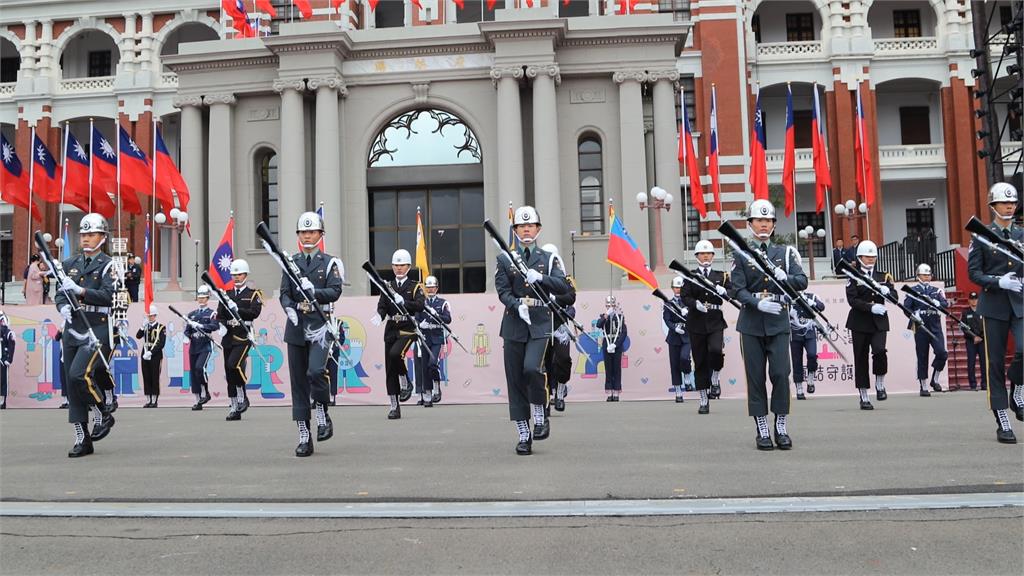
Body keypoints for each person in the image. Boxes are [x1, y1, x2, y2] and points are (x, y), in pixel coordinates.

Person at [730, 199, 806, 450]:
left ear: (773, 225)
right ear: (750, 224)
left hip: (778, 321)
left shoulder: (785, 253)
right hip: (751, 322)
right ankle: (762, 427)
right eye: (758, 221)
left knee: (780, 374)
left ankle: (781, 425)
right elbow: (736, 289)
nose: (763, 225)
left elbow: (802, 281)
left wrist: (789, 278)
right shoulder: (741, 253)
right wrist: (755, 303)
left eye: (768, 221)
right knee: (755, 377)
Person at [495, 205, 571, 455]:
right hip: (514, 323)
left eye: (531, 225)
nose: (526, 229)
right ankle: (523, 434)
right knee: (515, 379)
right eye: (521, 226)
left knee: (532, 368)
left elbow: (562, 286)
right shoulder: (504, 258)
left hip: (540, 321)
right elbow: (503, 291)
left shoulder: (549, 259)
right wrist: (517, 305)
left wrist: (541, 279)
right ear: (515, 230)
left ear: (538, 229)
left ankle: (539, 410)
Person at [279, 211, 344, 456]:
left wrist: (314, 291)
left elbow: (335, 291)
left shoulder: (329, 263)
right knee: (298, 383)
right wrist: (289, 307)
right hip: (296, 327)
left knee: (316, 371)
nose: (307, 236)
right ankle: (304, 435)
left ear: (320, 234)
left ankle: (321, 411)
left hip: (319, 326)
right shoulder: (291, 262)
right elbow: (284, 292)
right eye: (303, 232)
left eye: (312, 231)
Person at [55, 213, 117, 457]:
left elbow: (110, 297)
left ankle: (102, 411)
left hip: (97, 325)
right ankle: (83, 438)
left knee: (79, 374)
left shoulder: (109, 265)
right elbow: (60, 292)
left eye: (91, 234)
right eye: (84, 234)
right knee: (71, 385)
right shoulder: (69, 264)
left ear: (102, 237)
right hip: (73, 327)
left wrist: (81, 291)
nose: (87, 239)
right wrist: (63, 306)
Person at [967, 182, 1023, 444]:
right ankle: (1002, 420)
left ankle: (1018, 388)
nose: (1010, 206)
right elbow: (973, 273)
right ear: (993, 206)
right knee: (995, 363)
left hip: (1020, 302)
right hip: (994, 305)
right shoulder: (981, 236)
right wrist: (998, 281)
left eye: (1012, 202)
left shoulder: (1021, 235)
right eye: (1004, 202)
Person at [844, 239, 896, 411]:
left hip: (879, 321)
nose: (871, 259)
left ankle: (880, 383)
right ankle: (864, 396)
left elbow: (894, 298)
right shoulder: (852, 274)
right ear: (859, 257)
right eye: (867, 256)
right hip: (860, 321)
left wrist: (889, 292)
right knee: (861, 358)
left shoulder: (883, 276)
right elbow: (852, 300)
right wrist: (871, 306)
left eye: (873, 256)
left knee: (880, 351)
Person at [681, 240, 730, 413]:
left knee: (716, 350)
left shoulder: (721, 276)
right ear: (696, 257)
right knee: (700, 360)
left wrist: (726, 291)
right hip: (697, 321)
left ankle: (715, 378)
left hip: (715, 319)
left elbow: (733, 293)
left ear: (713, 256)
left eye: (709, 253)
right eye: (702, 253)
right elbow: (684, 297)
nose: (706, 256)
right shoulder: (690, 276)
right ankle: (703, 399)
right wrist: (695, 304)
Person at [376, 249, 426, 420]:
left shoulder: (415, 286)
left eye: (402, 265)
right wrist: (379, 315)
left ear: (408, 266)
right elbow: (382, 304)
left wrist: (405, 302)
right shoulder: (387, 286)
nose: (398, 268)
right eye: (396, 265)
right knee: (390, 368)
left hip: (407, 327)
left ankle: (405, 378)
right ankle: (394, 406)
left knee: (396, 354)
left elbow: (420, 305)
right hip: (391, 327)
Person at [217, 259, 263, 421]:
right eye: (234, 274)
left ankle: (242, 394)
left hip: (243, 335)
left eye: (240, 274)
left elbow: (254, 312)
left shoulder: (252, 294)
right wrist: (221, 325)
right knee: (229, 371)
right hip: (228, 335)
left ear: (245, 275)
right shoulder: (226, 294)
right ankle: (234, 406)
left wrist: (239, 311)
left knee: (233, 364)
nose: (236, 277)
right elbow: (220, 314)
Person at [541, 243, 576, 413]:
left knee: (563, 360)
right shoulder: (538, 279)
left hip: (560, 326)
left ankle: (560, 393)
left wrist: (555, 298)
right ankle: (546, 400)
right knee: (544, 364)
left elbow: (571, 296)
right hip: (542, 326)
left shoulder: (565, 278)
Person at [905, 263, 948, 396]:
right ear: (918, 276)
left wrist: (938, 304)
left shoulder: (936, 290)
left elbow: (945, 304)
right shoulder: (913, 290)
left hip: (935, 324)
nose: (927, 277)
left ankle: (934, 379)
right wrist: (914, 314)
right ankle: (923, 385)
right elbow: (907, 307)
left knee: (942, 352)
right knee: (922, 355)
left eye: (929, 275)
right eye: (924, 275)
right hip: (921, 325)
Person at [414, 275, 451, 408]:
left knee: (432, 363)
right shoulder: (421, 302)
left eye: (432, 287)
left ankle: (436, 384)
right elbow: (416, 318)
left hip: (436, 337)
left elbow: (448, 319)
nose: (430, 290)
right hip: (424, 337)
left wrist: (437, 315)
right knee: (424, 366)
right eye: (428, 288)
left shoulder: (442, 303)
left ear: (437, 288)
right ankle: (428, 395)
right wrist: (419, 325)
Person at [185, 286, 218, 409]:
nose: (201, 300)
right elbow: (187, 330)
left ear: (208, 298)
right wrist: (187, 335)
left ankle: (206, 391)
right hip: (194, 346)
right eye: (200, 298)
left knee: (200, 368)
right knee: (194, 373)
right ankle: (198, 400)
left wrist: (201, 326)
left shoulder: (212, 313)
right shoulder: (192, 314)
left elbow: (214, 326)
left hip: (205, 346)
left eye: (204, 298)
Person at [789, 290, 825, 400]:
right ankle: (799, 388)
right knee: (796, 361)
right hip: (795, 333)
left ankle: (810, 378)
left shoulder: (812, 296)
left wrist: (812, 303)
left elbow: (821, 307)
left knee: (812, 355)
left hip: (809, 332)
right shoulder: (788, 296)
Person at [597, 295, 627, 401]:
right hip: (607, 345)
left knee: (617, 368)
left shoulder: (620, 317)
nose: (610, 306)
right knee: (608, 368)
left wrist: (616, 344)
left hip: (616, 345)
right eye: (608, 304)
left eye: (612, 304)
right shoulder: (603, 316)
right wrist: (606, 315)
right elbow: (598, 325)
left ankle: (616, 391)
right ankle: (609, 391)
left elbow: (624, 333)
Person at [135, 304, 166, 408]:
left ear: (155, 315)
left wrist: (151, 352)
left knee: (154, 376)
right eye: (149, 315)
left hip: (155, 355)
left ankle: (154, 399)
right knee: (146, 376)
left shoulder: (161, 327)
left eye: (152, 315)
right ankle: (148, 399)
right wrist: (142, 326)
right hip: (145, 353)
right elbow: (138, 336)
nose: (150, 317)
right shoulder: (146, 326)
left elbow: (161, 343)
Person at [960, 292, 985, 391]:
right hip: (971, 341)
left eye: (975, 299)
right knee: (971, 362)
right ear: (969, 300)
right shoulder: (965, 312)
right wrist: (974, 337)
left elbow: (986, 326)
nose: (974, 301)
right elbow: (963, 327)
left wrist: (980, 337)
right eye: (972, 299)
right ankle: (973, 384)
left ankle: (984, 384)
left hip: (982, 340)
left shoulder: (983, 311)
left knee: (984, 363)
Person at [0, 312, 13, 409]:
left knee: (3, 380)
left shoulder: (9, 332)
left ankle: (3, 401)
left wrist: (9, 359)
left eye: (2, 320)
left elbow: (12, 347)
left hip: (3, 360)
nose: (2, 322)